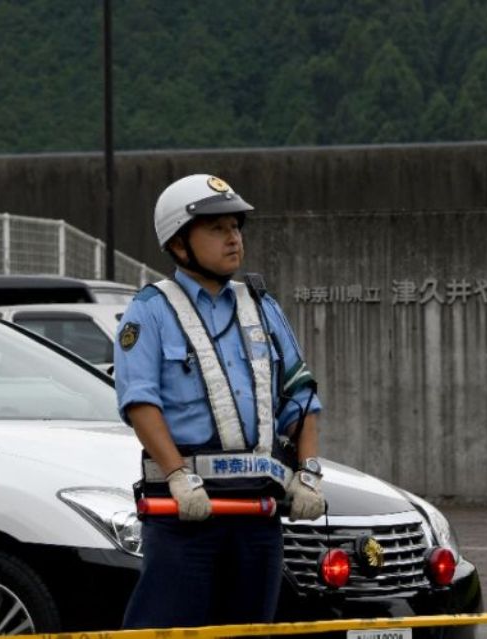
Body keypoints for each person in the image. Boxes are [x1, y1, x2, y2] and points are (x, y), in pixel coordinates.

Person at [114, 174, 325, 629]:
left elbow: (301, 396)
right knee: (168, 632)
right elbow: (139, 402)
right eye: (216, 228)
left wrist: (308, 472)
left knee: (250, 630)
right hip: (184, 516)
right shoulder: (149, 311)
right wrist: (177, 476)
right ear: (179, 243)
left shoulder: (262, 306)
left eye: (235, 226)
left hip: (257, 518)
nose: (233, 239)